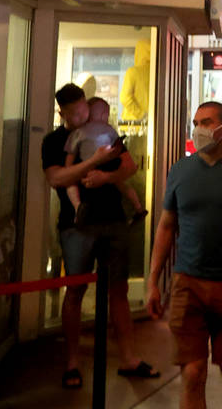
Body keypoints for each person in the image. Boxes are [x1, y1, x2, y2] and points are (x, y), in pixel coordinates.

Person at [148, 101, 222, 409]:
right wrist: (153, 280)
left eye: (206, 122)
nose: (199, 129)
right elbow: (166, 226)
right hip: (187, 282)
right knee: (192, 372)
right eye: (196, 122)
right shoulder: (180, 169)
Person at [42, 83, 156, 390]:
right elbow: (56, 178)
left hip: (113, 219)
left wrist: (107, 176)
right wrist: (93, 164)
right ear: (62, 112)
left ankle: (129, 357)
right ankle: (72, 362)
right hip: (77, 224)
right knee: (75, 290)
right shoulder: (55, 140)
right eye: (75, 111)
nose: (82, 114)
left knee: (118, 290)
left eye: (84, 108)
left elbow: (128, 166)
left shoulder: (104, 131)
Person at [64, 97, 145, 223]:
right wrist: (109, 175)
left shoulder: (78, 132)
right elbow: (126, 161)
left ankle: (77, 207)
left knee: (71, 185)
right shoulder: (110, 130)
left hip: (86, 175)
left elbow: (69, 160)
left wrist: (70, 171)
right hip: (109, 169)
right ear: (104, 115)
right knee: (122, 185)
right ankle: (138, 207)